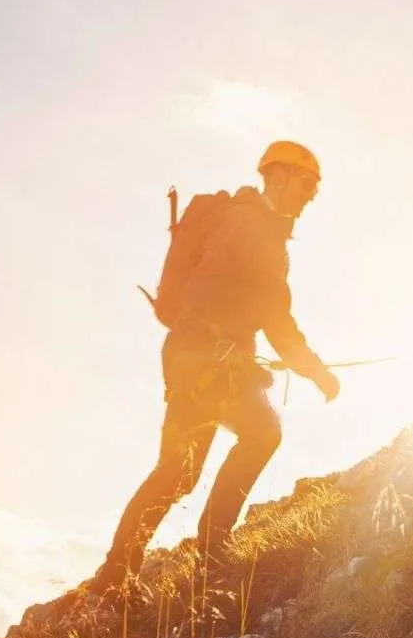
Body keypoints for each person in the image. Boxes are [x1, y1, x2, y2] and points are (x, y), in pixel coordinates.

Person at [86, 141, 341, 592]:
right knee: (262, 433)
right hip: (209, 355)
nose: (309, 196)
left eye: (315, 190)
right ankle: (210, 553)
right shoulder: (252, 226)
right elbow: (274, 317)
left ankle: (116, 574)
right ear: (276, 175)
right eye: (305, 183)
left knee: (177, 474)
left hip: (193, 354)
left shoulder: (248, 224)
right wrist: (315, 370)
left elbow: (239, 300)